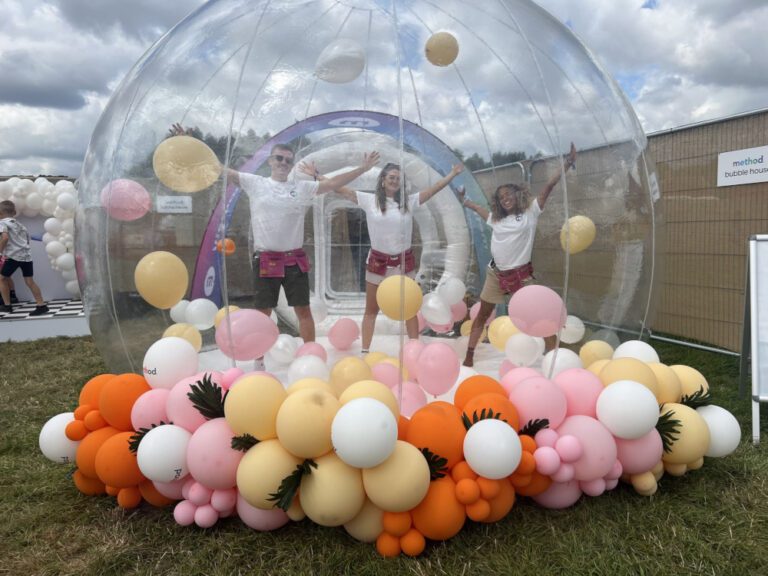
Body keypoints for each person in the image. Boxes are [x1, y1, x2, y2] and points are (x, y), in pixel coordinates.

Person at [225, 144, 382, 346]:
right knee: (263, 312)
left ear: (292, 165)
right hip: (266, 259)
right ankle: (259, 358)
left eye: (288, 160)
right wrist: (190, 144)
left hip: (293, 260)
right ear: (271, 160)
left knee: (303, 311)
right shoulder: (256, 183)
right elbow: (222, 172)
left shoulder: (302, 187)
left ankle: (309, 353)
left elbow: (333, 183)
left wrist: (363, 168)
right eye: (279, 158)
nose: (283, 163)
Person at [300, 159, 464, 353]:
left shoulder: (409, 202)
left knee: (409, 308)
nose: (395, 181)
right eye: (391, 177)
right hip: (378, 262)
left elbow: (434, 189)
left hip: (404, 263)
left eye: (398, 178)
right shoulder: (370, 201)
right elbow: (339, 189)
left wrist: (452, 174)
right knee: (371, 310)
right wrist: (317, 175)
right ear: (383, 181)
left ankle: (414, 348)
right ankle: (365, 351)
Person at [460, 143, 577, 367]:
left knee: (539, 317)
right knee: (482, 315)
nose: (505, 198)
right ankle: (468, 356)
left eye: (508, 194)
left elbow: (548, 188)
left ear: (517, 194)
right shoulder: (495, 218)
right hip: (496, 275)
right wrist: (465, 201)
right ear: (498, 202)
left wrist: (567, 163)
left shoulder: (530, 213)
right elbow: (476, 208)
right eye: (501, 197)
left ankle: (555, 359)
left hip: (521, 277)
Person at [0, 200, 49, 315]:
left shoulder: (2, 223)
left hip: (14, 257)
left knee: (1, 279)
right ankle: (41, 305)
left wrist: (1, 251)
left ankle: (7, 306)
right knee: (30, 281)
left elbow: (5, 238)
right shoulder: (20, 225)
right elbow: (27, 240)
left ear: (0, 213)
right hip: (27, 257)